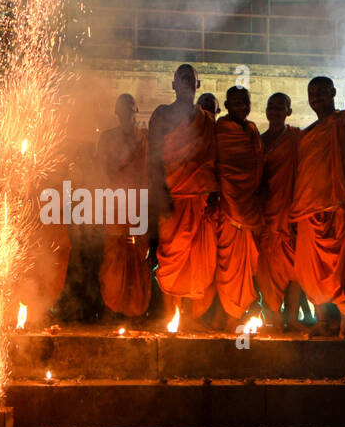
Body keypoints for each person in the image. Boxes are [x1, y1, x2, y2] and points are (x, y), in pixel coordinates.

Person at [288, 75, 345, 338]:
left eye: (322, 92)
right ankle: (323, 321)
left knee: (343, 266)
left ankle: (344, 326)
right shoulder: (308, 133)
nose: (317, 98)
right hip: (308, 208)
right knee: (309, 268)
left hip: (340, 205)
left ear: (334, 92)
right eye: (312, 93)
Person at [149, 64, 218, 328]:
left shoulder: (205, 121)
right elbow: (154, 157)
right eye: (183, 78)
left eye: (192, 79)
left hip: (198, 199)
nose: (187, 83)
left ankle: (188, 317)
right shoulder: (162, 115)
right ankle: (171, 316)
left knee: (195, 261)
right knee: (170, 259)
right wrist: (160, 193)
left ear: (197, 86)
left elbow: (212, 160)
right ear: (174, 84)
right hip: (173, 197)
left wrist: (213, 195)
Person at [213, 85, 264, 329]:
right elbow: (216, 163)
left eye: (245, 102)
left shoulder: (252, 129)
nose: (242, 107)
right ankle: (227, 313)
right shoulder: (220, 130)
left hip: (249, 204)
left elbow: (257, 165)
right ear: (226, 105)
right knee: (228, 263)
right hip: (228, 205)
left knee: (249, 263)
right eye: (236, 102)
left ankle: (241, 312)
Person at [96, 94, 151, 318]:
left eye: (129, 111)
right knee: (114, 255)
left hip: (138, 205)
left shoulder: (144, 138)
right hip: (114, 204)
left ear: (135, 112)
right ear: (116, 114)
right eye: (121, 111)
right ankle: (112, 307)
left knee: (138, 256)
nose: (125, 115)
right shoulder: (108, 139)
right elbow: (100, 170)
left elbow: (150, 171)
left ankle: (136, 309)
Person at [256, 92, 302, 330]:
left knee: (295, 269)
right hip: (267, 213)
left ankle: (293, 319)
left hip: (291, 211)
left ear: (289, 112)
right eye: (271, 108)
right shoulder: (259, 141)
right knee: (268, 268)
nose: (274, 112)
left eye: (280, 108)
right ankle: (272, 317)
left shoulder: (296, 139)